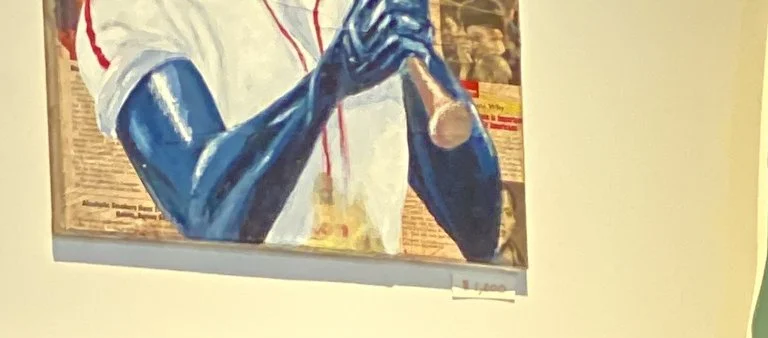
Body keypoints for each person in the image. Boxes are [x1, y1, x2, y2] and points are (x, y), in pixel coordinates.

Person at [69, 0, 506, 260]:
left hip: (374, 326)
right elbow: (205, 212)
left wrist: (417, 50)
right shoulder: (134, 7)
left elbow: (478, 227)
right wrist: (331, 82)